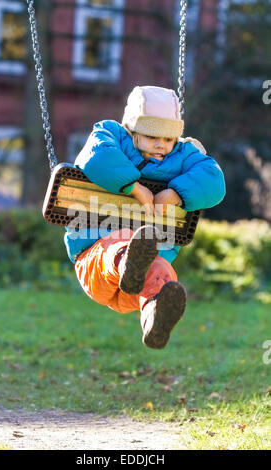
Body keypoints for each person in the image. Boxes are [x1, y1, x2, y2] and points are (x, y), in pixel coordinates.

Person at [65, 86, 226, 349]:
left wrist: (175, 193)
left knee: (159, 271)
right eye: (152, 136)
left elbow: (214, 181)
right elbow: (97, 156)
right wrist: (133, 186)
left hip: (141, 284)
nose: (161, 145)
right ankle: (128, 259)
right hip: (94, 263)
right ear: (132, 130)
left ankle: (154, 317)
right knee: (124, 243)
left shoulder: (183, 155)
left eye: (169, 138)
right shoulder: (112, 136)